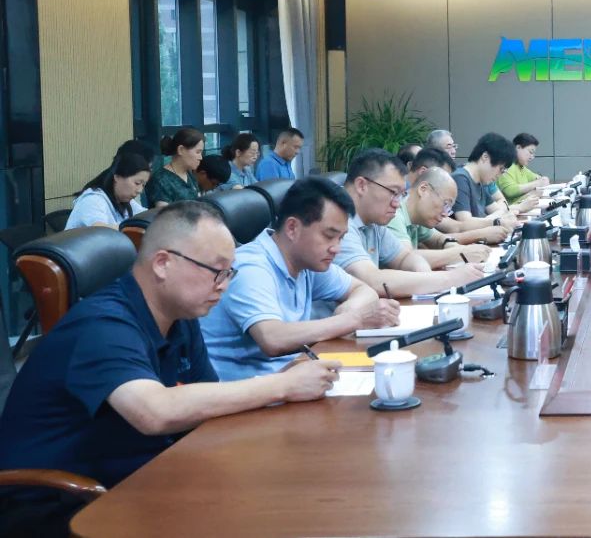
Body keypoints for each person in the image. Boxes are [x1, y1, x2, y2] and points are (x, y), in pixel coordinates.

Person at [0, 203, 340, 533]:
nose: (224, 284)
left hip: (141, 476)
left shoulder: (180, 317)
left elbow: (208, 404)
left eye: (229, 272)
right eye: (216, 271)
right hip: (60, 504)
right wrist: (282, 386)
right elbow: (154, 411)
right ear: (162, 263)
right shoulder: (102, 325)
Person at [200, 178, 399, 381]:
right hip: (246, 392)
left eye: (340, 238)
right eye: (329, 236)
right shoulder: (251, 267)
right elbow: (272, 338)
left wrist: (348, 310)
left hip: (290, 378)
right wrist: (354, 319)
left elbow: (363, 290)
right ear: (292, 228)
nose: (336, 248)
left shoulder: (308, 262)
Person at [335, 148, 483, 296]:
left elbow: (405, 257)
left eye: (401, 195)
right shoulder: (337, 221)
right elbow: (372, 280)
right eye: (393, 192)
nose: (397, 203)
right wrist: (449, 279)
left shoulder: (373, 222)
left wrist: (426, 276)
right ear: (362, 185)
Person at [388, 151, 496, 266]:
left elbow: (439, 239)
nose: (445, 214)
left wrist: (454, 246)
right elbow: (406, 258)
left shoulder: (417, 217)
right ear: (423, 189)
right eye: (445, 204)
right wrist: (461, 253)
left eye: (449, 209)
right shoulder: (394, 214)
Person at [66, 152, 151, 230]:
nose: (140, 190)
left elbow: (147, 216)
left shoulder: (126, 201)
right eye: (137, 183)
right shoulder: (92, 199)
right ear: (117, 177)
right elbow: (101, 230)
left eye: (143, 185)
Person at [452, 133, 517, 221]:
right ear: (485, 157)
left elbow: (498, 211)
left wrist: (503, 214)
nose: (500, 175)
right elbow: (465, 222)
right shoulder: (460, 178)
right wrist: (497, 219)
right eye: (501, 169)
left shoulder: (480, 181)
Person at [144, 127, 204, 205]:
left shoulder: (189, 175)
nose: (200, 157)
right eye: (198, 152)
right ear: (181, 150)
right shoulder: (161, 179)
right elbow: (164, 211)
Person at [498, 132, 550, 203]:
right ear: (518, 148)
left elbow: (538, 178)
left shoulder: (521, 167)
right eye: (530, 152)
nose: (532, 157)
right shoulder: (506, 165)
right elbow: (510, 191)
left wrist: (542, 180)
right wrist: (537, 184)